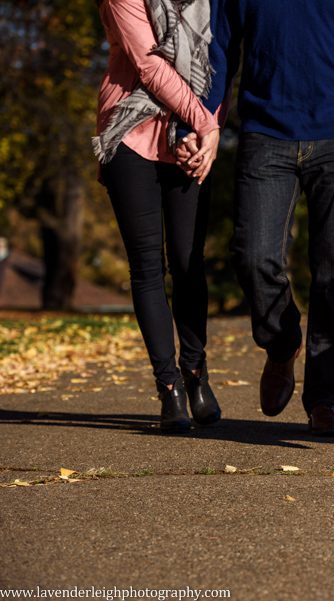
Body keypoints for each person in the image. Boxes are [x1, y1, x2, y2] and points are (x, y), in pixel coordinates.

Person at [177, 0, 334, 435]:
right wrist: (197, 121)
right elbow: (218, 50)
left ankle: (325, 399)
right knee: (253, 255)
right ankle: (281, 343)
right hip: (265, 133)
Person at [94, 0, 223, 431]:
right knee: (148, 267)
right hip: (131, 132)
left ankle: (196, 372)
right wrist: (205, 123)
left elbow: (218, 58)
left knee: (189, 262)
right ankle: (169, 388)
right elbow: (149, 65)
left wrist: (204, 132)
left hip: (189, 138)